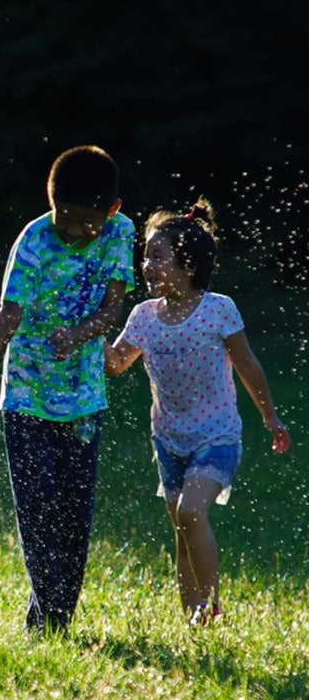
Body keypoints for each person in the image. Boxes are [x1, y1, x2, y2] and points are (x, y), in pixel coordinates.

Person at [0, 146, 134, 634]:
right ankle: (48, 624)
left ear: (111, 211)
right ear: (51, 203)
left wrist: (78, 334)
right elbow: (11, 311)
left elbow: (113, 308)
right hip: (26, 396)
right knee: (38, 510)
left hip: (84, 399)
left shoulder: (120, 233)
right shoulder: (33, 240)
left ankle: (54, 618)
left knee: (74, 515)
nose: (72, 231)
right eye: (64, 218)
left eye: (86, 222)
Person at [104, 198, 291, 625]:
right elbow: (115, 365)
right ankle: (195, 620)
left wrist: (269, 416)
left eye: (157, 257)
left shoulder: (218, 309)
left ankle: (210, 605)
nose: (146, 266)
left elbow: (246, 363)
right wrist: (93, 331)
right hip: (169, 440)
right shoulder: (143, 317)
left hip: (216, 436)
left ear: (187, 265)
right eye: (145, 257)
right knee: (182, 530)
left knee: (191, 513)